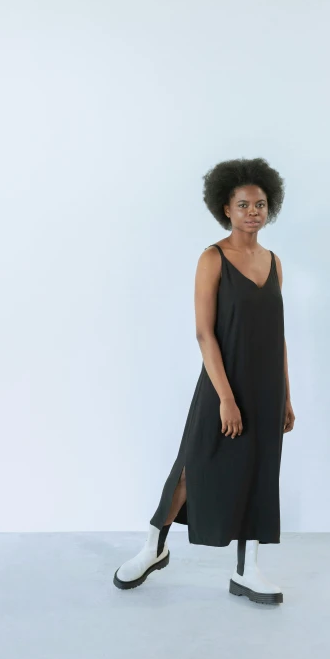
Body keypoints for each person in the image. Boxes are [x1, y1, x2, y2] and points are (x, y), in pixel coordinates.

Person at [113, 157, 295, 605]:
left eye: (260, 204)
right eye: (243, 204)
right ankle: (154, 546)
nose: (253, 211)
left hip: (268, 388)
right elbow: (204, 332)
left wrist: (287, 396)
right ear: (226, 209)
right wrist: (225, 398)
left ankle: (248, 570)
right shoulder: (212, 258)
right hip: (222, 383)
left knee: (260, 472)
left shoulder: (273, 262)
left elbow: (279, 336)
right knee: (195, 462)